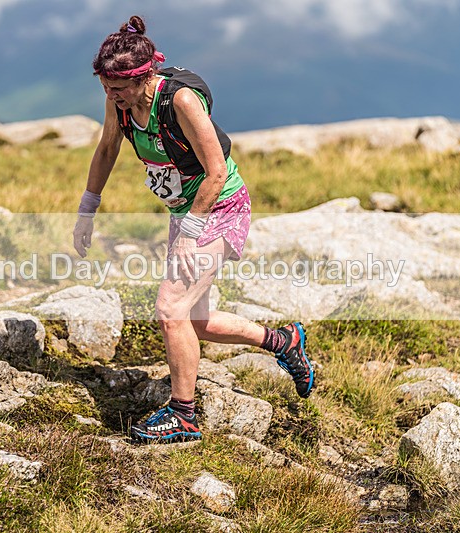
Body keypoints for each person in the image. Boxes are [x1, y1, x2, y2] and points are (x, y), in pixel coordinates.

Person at [74, 15, 314, 444]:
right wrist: (87, 208)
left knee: (170, 309)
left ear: (144, 76)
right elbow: (107, 147)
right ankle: (283, 342)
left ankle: (183, 415)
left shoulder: (181, 102)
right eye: (105, 87)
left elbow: (216, 172)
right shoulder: (120, 101)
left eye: (118, 88)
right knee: (195, 321)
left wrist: (190, 231)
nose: (110, 96)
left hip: (219, 208)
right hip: (185, 214)